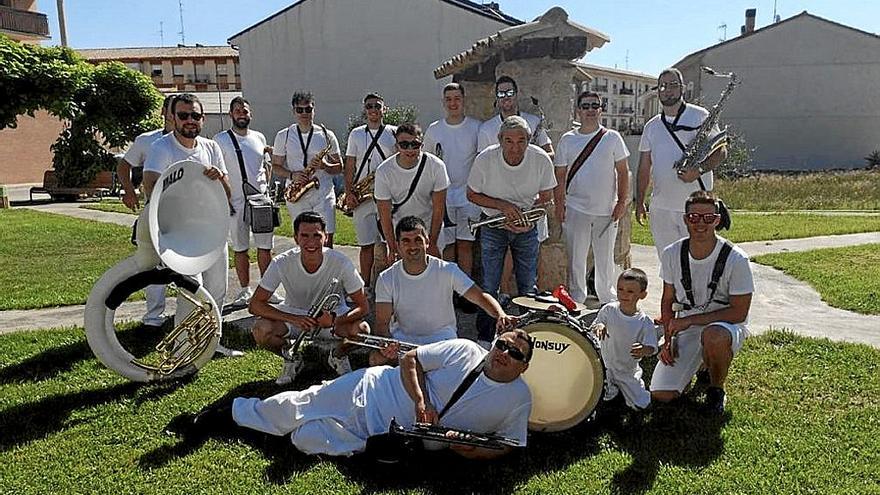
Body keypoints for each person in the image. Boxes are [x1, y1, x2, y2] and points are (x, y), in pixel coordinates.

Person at [196, 331, 533, 459]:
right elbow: (411, 359)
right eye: (501, 345)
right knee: (292, 406)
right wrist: (421, 401)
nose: (503, 353)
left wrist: (471, 450)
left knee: (307, 439)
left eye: (514, 353)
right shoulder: (463, 350)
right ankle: (226, 414)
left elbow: (508, 444)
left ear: (523, 367)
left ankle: (304, 435)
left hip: (388, 435)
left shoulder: (518, 399)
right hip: (371, 390)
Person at [141, 93, 241, 357]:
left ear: (203, 119)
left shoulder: (211, 148)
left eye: (195, 116)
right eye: (183, 115)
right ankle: (182, 347)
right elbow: (150, 186)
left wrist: (219, 178)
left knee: (217, 288)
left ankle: (210, 342)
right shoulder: (162, 147)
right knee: (191, 288)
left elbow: (228, 193)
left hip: (212, 226)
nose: (189, 121)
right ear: (172, 117)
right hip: (180, 231)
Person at [651, 191, 754, 414]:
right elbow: (668, 300)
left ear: (717, 220)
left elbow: (739, 313)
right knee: (662, 394)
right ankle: (700, 363)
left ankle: (716, 389)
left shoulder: (737, 259)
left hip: (725, 326)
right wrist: (668, 341)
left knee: (713, 336)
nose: (700, 224)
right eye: (694, 217)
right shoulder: (672, 253)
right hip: (686, 327)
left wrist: (691, 321)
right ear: (686, 219)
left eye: (708, 218)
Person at [371, 216, 517, 365]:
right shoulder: (386, 278)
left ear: (427, 241)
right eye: (406, 241)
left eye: (418, 240)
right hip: (404, 340)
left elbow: (480, 297)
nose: (412, 246)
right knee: (375, 360)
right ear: (398, 245)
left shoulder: (448, 270)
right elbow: (382, 323)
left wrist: (500, 315)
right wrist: (386, 345)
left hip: (442, 342)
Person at [249, 211, 370, 385]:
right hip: (296, 317)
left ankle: (338, 356)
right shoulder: (281, 262)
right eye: (304, 236)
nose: (311, 242)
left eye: (316, 235)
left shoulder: (341, 262)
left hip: (331, 318)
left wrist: (335, 320)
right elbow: (255, 305)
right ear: (296, 238)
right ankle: (292, 357)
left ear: (325, 237)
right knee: (261, 330)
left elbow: (363, 306)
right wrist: (294, 319)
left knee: (362, 330)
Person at [467, 116, 556, 347]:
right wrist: (502, 207)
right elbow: (472, 194)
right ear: (499, 140)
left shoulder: (540, 159)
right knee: (489, 284)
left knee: (528, 285)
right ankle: (485, 338)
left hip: (526, 227)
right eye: (509, 141)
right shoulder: (485, 158)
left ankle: (528, 335)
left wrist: (527, 219)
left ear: (529, 140)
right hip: (492, 224)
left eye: (521, 141)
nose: (515, 147)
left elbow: (547, 197)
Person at [636, 68, 728, 259]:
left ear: (682, 89)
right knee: (668, 261)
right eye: (662, 86)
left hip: (697, 208)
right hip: (661, 208)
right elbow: (644, 167)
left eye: (672, 85)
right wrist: (639, 201)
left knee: (699, 260)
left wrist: (699, 170)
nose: (667, 90)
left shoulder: (701, 116)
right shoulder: (652, 126)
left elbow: (721, 151)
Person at [554, 91, 630, 305]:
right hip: (576, 207)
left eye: (594, 106)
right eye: (585, 106)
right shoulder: (568, 140)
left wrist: (622, 202)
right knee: (576, 258)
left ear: (600, 109)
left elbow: (623, 171)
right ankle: (577, 297)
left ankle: (606, 298)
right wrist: (559, 205)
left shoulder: (612, 138)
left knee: (605, 259)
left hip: (606, 209)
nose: (590, 110)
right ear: (578, 110)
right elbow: (559, 175)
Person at [213, 96, 276, 308]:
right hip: (235, 202)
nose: (242, 114)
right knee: (241, 248)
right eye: (238, 110)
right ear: (231, 114)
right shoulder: (220, 140)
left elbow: (265, 167)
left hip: (260, 200)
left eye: (245, 111)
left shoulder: (258, 137)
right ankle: (244, 289)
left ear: (251, 114)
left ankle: (268, 289)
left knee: (265, 247)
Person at [118, 94, 174, 328]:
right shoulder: (147, 140)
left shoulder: (197, 142)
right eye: (172, 111)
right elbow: (124, 165)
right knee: (153, 263)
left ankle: (186, 314)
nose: (176, 117)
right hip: (155, 211)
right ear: (164, 113)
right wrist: (129, 190)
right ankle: (153, 316)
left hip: (185, 212)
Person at [422, 83, 482, 277]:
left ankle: (464, 292)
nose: (453, 103)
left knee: (465, 245)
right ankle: (447, 289)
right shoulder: (434, 130)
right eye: (448, 99)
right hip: (443, 198)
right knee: (447, 245)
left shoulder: (476, 127)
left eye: (457, 98)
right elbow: (426, 163)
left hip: (469, 197)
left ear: (463, 100)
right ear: (443, 102)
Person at [272, 92, 342, 247]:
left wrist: (325, 166)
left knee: (326, 238)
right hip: (297, 193)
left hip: (323, 191)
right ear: (293, 111)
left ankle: (327, 270)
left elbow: (339, 167)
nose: (304, 113)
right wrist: (292, 174)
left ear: (314, 110)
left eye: (308, 109)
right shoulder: (284, 135)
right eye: (300, 110)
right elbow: (276, 166)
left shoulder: (326, 134)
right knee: (302, 240)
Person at [374, 123, 449, 265]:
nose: (410, 149)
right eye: (404, 144)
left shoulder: (436, 166)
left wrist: (432, 243)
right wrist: (392, 246)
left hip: (428, 228)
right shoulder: (384, 171)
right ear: (396, 146)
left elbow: (439, 209)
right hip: (400, 231)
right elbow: (384, 214)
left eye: (415, 144)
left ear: (422, 145)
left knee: (433, 275)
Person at [343, 92, 397, 285]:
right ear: (365, 110)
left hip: (388, 194)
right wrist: (349, 192)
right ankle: (365, 286)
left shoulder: (394, 132)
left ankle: (392, 285)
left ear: (384, 109)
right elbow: (349, 165)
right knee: (366, 246)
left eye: (377, 106)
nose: (373, 109)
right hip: (362, 195)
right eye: (369, 106)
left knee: (392, 244)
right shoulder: (356, 134)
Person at [591, 268, 657, 410]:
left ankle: (627, 389)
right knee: (594, 398)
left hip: (627, 370)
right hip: (604, 365)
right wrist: (600, 326)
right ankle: (611, 389)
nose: (624, 294)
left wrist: (644, 350)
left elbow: (652, 347)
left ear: (642, 295)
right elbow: (597, 323)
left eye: (630, 291)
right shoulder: (609, 310)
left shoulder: (644, 322)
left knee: (641, 404)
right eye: (620, 289)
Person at [477, 75, 553, 157]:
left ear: (516, 94)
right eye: (501, 94)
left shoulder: (534, 122)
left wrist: (531, 157)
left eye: (510, 93)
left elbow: (551, 154)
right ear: (497, 98)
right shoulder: (486, 129)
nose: (506, 97)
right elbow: (481, 162)